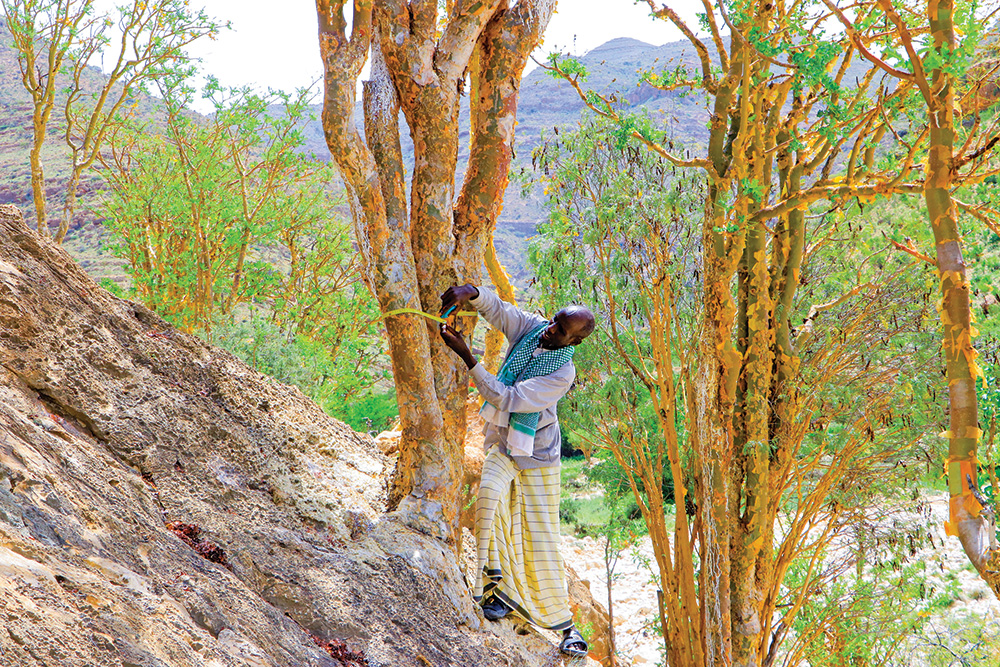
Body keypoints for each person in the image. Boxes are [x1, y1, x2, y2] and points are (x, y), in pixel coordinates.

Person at [438, 283, 595, 660]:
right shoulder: (534, 328)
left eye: (560, 330)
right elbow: (500, 310)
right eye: (555, 321)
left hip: (537, 455)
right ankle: (495, 594)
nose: (550, 329)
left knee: (539, 538)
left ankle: (565, 627)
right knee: (490, 504)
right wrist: (471, 293)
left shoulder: (562, 374)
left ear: (574, 341)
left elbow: (507, 399)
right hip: (505, 446)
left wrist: (468, 358)